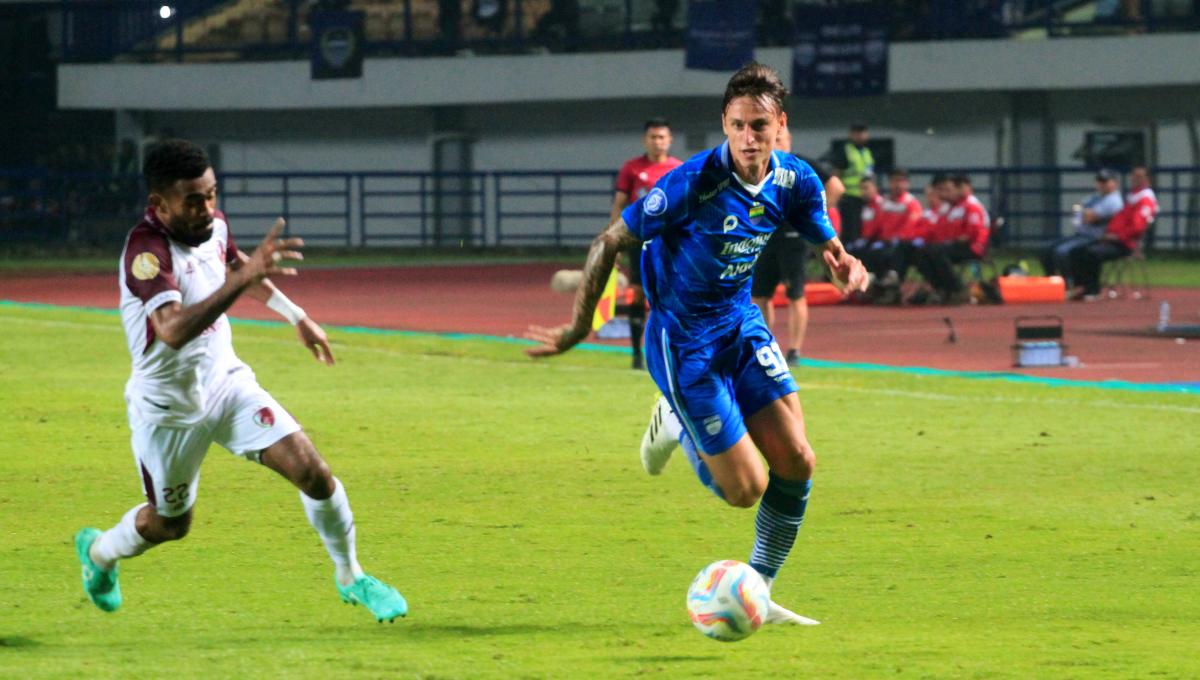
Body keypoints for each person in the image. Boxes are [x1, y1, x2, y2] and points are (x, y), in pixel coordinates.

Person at [526, 63, 868, 626]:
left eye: (759, 126)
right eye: (738, 126)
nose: (748, 138)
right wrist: (579, 327)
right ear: (725, 125)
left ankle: (758, 590)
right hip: (685, 342)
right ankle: (674, 421)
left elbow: (828, 243)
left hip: (740, 325)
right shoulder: (693, 183)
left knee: (798, 460)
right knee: (746, 490)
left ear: (780, 125)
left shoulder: (796, 179)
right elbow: (609, 241)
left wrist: (843, 261)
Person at [73, 140, 407, 622]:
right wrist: (240, 279)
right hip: (169, 410)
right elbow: (172, 330)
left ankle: (351, 576)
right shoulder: (146, 252)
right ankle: (99, 554)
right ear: (159, 204)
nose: (206, 208)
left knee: (314, 473)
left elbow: (236, 267)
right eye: (193, 200)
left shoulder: (213, 226)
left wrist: (296, 315)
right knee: (170, 525)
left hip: (227, 386)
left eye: (211, 194)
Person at [750, 124, 845, 365]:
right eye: (772, 139)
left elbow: (836, 186)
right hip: (765, 237)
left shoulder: (800, 164)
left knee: (795, 293)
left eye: (780, 139)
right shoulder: (759, 166)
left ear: (789, 141)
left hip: (793, 237)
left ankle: (794, 350)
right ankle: (764, 347)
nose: (776, 144)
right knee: (759, 295)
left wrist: (815, 215)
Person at [609, 118, 684, 369]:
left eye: (662, 137)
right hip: (639, 240)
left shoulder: (678, 169)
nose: (657, 142)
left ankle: (670, 353)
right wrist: (614, 240)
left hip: (670, 242)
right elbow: (619, 205)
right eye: (653, 137)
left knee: (671, 295)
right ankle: (636, 353)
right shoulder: (631, 168)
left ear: (669, 140)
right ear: (645, 140)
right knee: (638, 293)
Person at [1068, 165, 1157, 301]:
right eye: (1133, 175)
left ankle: (1092, 290)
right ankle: (1081, 287)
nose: (1134, 179)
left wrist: (1116, 236)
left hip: (1125, 243)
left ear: (1148, 179)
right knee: (1077, 250)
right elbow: (1079, 209)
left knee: (1092, 253)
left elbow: (1137, 227)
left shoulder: (1144, 199)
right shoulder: (1132, 196)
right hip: (1112, 238)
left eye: (1139, 176)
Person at [909, 173, 990, 305]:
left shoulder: (971, 205)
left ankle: (956, 288)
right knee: (920, 253)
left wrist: (948, 242)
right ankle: (939, 287)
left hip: (972, 247)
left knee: (937, 251)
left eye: (950, 190)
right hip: (955, 244)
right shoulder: (953, 207)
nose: (947, 194)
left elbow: (971, 234)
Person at [1040, 168, 1123, 284]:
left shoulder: (1113, 200)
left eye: (1105, 181)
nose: (1102, 184)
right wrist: (1084, 213)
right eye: (1099, 181)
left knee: (1062, 251)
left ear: (1115, 183)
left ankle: (1068, 283)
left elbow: (1089, 217)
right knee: (1046, 248)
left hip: (1097, 238)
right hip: (1081, 234)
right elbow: (1076, 208)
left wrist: (1084, 213)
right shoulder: (1095, 197)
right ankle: (1052, 282)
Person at [829, 123, 874, 242]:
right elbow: (836, 174)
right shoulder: (845, 151)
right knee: (849, 230)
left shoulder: (867, 152)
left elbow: (869, 175)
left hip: (863, 198)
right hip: (848, 197)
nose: (860, 135)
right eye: (857, 132)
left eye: (862, 132)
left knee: (861, 228)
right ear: (851, 134)